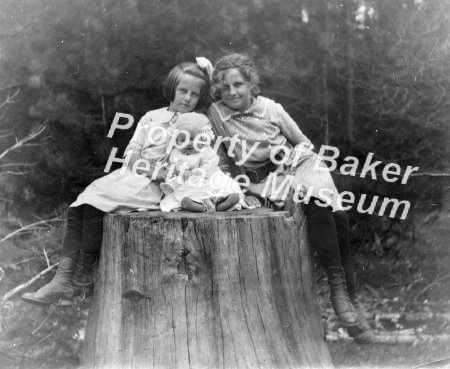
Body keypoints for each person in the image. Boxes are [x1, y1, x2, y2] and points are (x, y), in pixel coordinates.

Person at [208, 53, 376, 344]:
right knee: (331, 212)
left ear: (251, 84)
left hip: (296, 165)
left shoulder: (271, 109)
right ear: (218, 91)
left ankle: (341, 292)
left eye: (238, 84)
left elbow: (303, 143)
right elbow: (218, 154)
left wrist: (288, 167)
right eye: (225, 87)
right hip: (261, 180)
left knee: (324, 205)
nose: (232, 92)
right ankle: (350, 304)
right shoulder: (217, 114)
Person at [21, 60, 211, 306]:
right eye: (183, 90)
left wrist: (163, 173)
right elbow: (132, 152)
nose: (187, 98)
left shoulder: (198, 123)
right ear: (172, 88)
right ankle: (63, 279)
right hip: (135, 174)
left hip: (159, 186)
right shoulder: (153, 116)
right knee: (82, 203)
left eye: (195, 94)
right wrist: (145, 167)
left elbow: (198, 157)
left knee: (95, 204)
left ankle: (80, 280)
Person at [159, 112, 245, 212]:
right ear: (176, 140)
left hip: (206, 180)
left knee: (219, 189)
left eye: (192, 138)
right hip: (186, 183)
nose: (189, 143)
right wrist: (172, 170)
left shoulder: (206, 152)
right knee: (184, 193)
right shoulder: (175, 153)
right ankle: (192, 204)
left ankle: (221, 202)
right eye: (183, 140)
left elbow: (208, 169)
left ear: (203, 138)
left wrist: (191, 174)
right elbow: (173, 166)